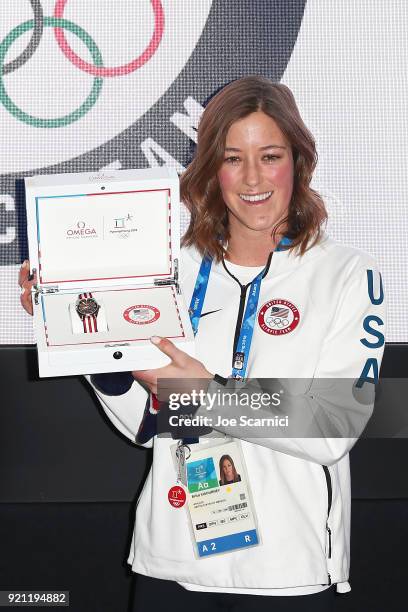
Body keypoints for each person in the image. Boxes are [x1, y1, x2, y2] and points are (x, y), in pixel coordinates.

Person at [20, 75, 386, 611]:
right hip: (170, 559)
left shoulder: (346, 273)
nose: (253, 177)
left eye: (271, 155)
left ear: (299, 162)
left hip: (286, 567)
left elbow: (332, 427)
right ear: (211, 168)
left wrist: (204, 390)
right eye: (233, 157)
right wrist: (84, 335)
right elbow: (144, 427)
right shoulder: (171, 269)